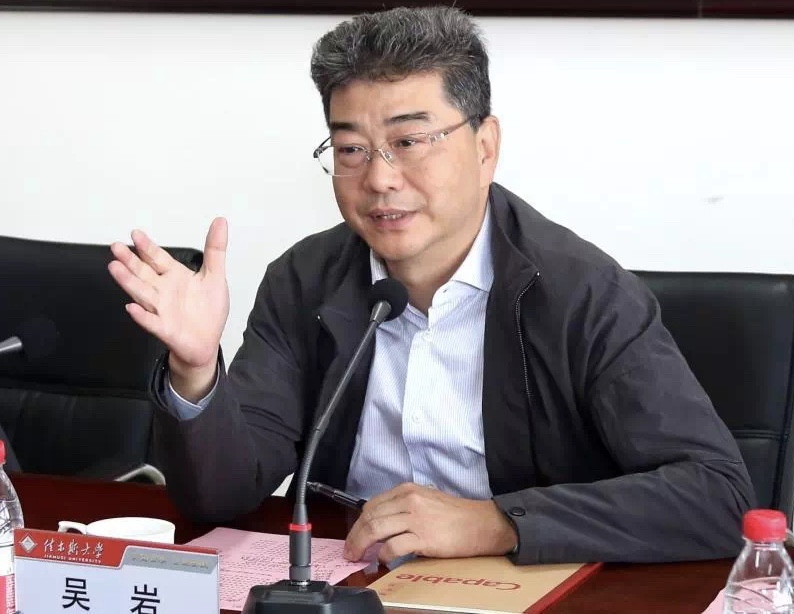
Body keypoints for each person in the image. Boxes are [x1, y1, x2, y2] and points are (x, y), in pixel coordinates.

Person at [108, 5, 754, 565]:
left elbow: (719, 496)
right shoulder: (304, 282)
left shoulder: (583, 294)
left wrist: (497, 523)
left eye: (410, 141)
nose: (380, 178)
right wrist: (196, 372)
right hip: (356, 580)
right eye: (352, 149)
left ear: (484, 147)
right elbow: (221, 498)